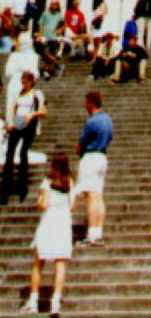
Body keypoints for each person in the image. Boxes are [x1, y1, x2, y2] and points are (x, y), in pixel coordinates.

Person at [20, 151, 74, 317]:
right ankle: (55, 302)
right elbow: (72, 206)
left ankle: (33, 302)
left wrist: (40, 201)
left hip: (49, 222)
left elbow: (43, 205)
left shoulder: (47, 181)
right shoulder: (70, 182)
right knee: (60, 264)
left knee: (38, 262)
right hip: (63, 223)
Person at [73, 90, 113, 245]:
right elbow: (110, 137)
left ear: (91, 103)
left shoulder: (91, 121)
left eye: (86, 102)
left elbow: (81, 144)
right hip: (102, 156)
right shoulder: (107, 119)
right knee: (98, 196)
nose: (84, 105)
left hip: (90, 157)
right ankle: (98, 232)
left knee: (90, 196)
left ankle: (91, 234)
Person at [0, 71, 47, 203]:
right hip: (18, 124)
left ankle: (22, 188)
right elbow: (14, 110)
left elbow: (43, 111)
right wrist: (12, 124)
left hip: (29, 125)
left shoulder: (36, 94)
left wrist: (32, 115)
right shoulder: (19, 94)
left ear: (32, 82)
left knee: (22, 153)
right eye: (22, 82)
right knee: (9, 155)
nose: (23, 84)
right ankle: (5, 190)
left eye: (26, 82)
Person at [5, 32, 40, 113]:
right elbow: (8, 72)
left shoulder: (33, 56)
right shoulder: (14, 56)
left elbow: (35, 74)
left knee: (22, 110)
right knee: (12, 109)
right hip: (17, 84)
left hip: (24, 85)